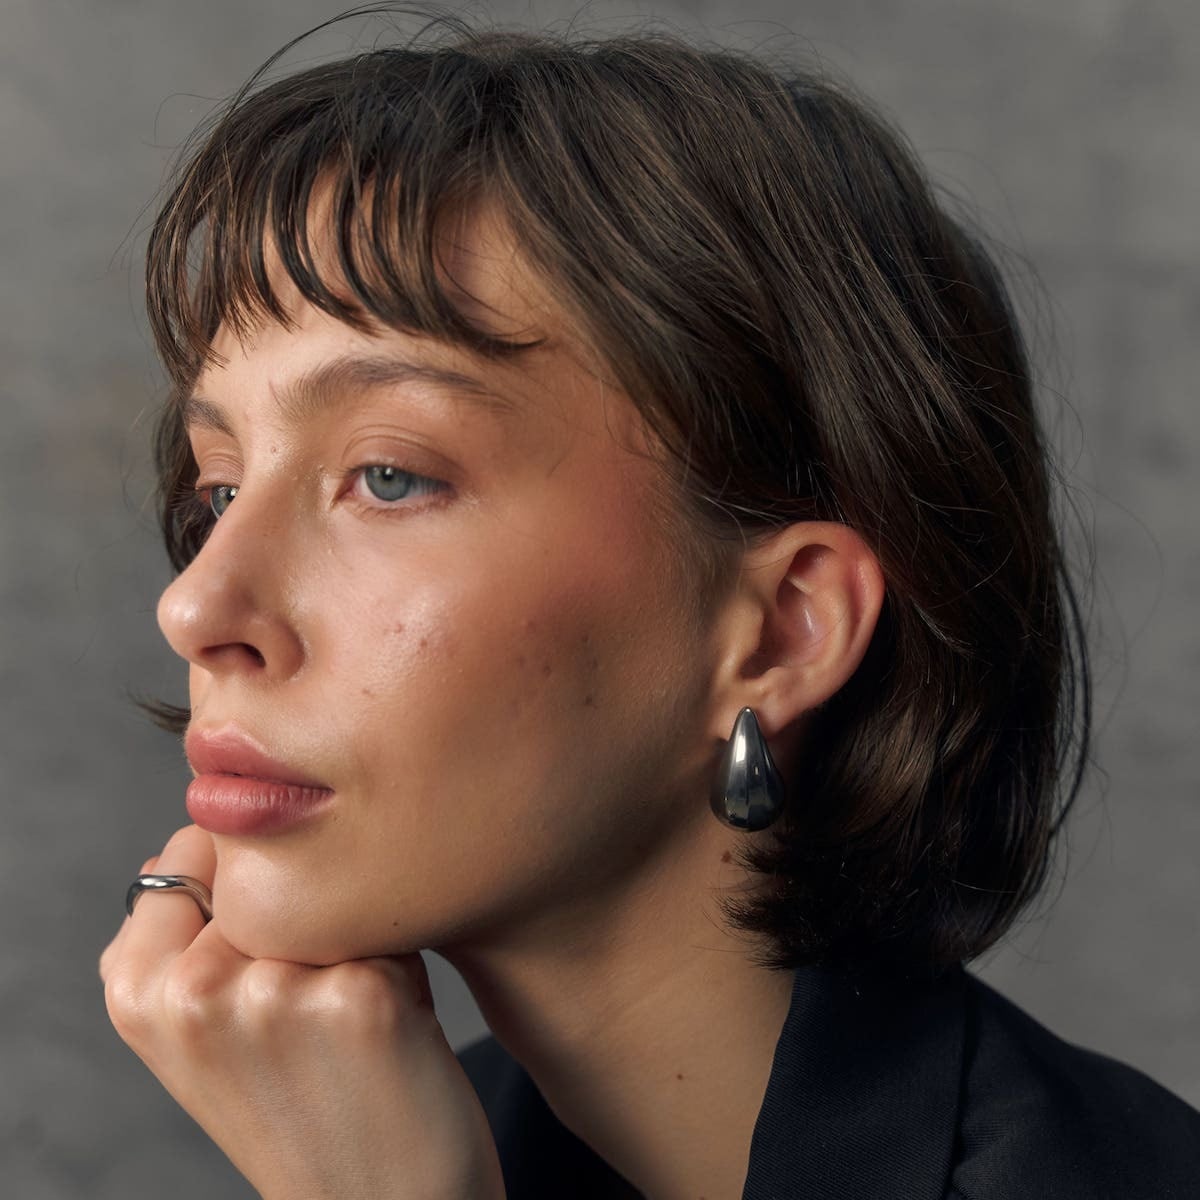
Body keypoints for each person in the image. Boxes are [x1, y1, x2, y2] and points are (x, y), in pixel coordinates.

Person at [98, 9, 1200, 1199]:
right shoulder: (414, 1135)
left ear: (783, 629)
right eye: (220, 489)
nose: (195, 607)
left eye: (391, 476)